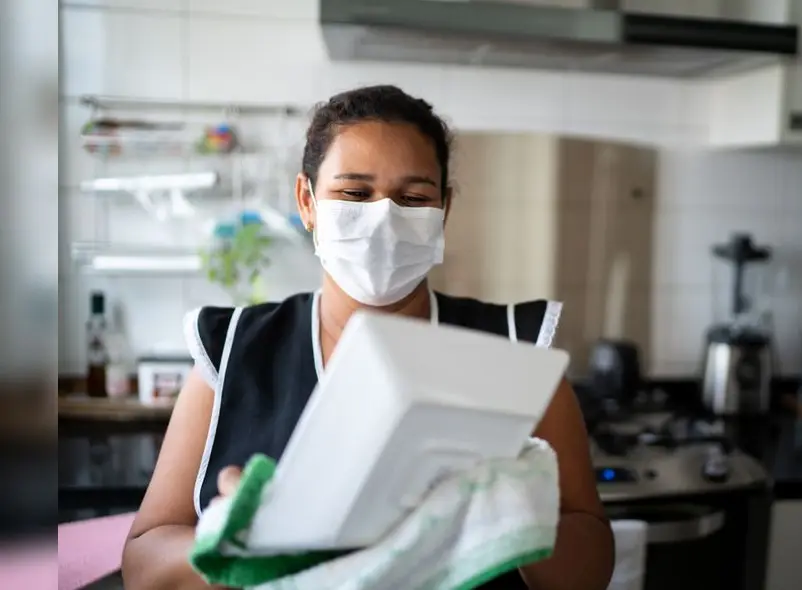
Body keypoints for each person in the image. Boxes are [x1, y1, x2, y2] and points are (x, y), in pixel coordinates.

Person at [121, 85, 615, 590]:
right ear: (306, 202)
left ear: (443, 211)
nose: (385, 218)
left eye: (414, 197)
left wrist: (503, 513)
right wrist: (232, 544)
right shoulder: (231, 356)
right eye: (355, 194)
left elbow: (591, 566)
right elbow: (143, 565)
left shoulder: (514, 352)